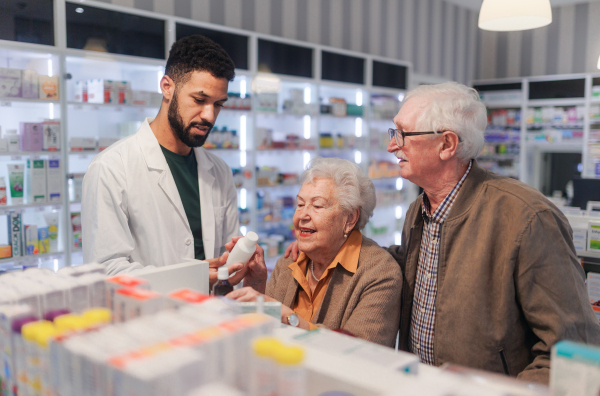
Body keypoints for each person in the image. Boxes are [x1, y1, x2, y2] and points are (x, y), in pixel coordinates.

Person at [287, 82, 600, 383]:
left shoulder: (526, 217)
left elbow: (574, 348)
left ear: (447, 144)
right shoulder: (418, 212)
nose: (391, 145)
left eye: (402, 134)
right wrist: (326, 243)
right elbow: (416, 263)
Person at [82, 35, 247, 284]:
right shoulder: (111, 168)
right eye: (199, 100)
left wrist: (244, 262)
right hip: (148, 317)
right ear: (167, 87)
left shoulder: (220, 172)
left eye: (218, 104)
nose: (209, 116)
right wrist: (189, 277)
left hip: (212, 316)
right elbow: (106, 271)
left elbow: (229, 259)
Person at [226, 157, 402, 347]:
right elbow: (265, 335)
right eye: (300, 204)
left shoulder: (379, 273)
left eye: (317, 206)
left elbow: (360, 353)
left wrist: (287, 317)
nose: (302, 215)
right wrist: (256, 286)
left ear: (350, 218)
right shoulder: (289, 262)